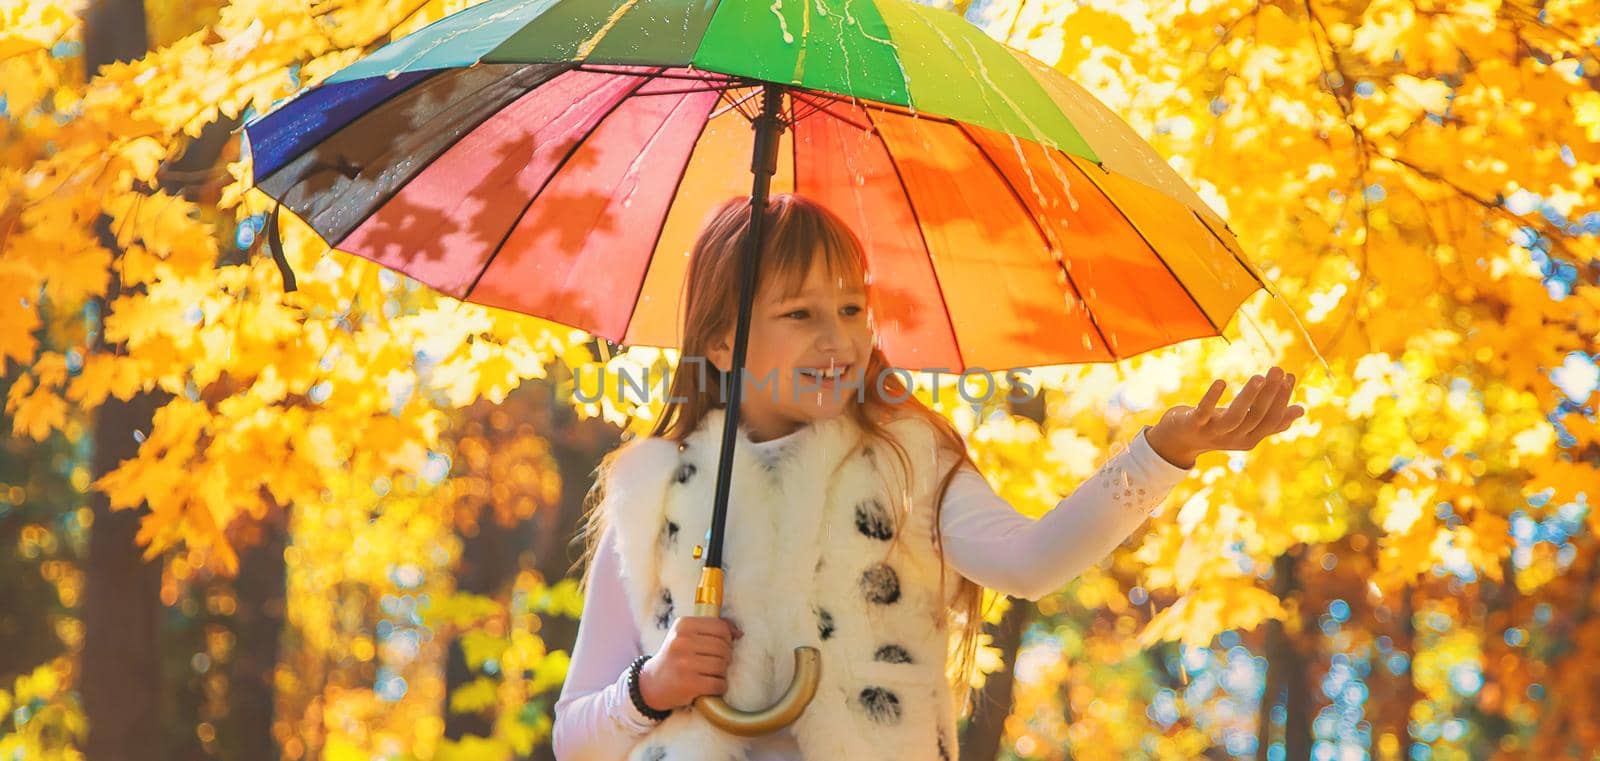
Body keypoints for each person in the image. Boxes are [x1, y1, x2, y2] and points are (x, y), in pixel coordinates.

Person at [552, 193, 1303, 761]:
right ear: (722, 340)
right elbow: (573, 735)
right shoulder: (656, 493)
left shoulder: (905, 460)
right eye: (800, 312)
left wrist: (1161, 453)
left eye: (852, 306)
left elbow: (1031, 561)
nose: (839, 338)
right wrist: (649, 688)